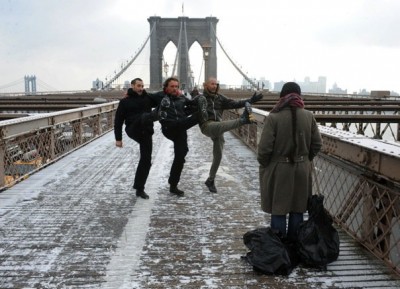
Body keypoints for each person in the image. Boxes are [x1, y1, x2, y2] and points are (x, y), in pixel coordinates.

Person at [257, 82, 322, 241]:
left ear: (282, 97)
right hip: (301, 169)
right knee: (297, 208)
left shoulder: (273, 117)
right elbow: (317, 144)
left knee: (278, 209)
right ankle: (294, 245)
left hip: (280, 170)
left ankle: (279, 246)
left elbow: (264, 149)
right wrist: (305, 160)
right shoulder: (309, 116)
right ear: (299, 96)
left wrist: (266, 165)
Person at [196, 77, 263, 193]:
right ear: (205, 85)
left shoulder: (220, 98)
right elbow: (187, 107)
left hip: (219, 126)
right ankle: (243, 120)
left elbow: (235, 104)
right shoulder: (200, 99)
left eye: (216, 84)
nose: (214, 86)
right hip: (207, 126)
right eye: (211, 84)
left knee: (218, 155)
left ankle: (210, 180)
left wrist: (250, 100)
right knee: (221, 125)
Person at [114, 78, 161, 200]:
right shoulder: (125, 102)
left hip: (146, 131)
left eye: (142, 86)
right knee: (144, 116)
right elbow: (118, 121)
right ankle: (151, 116)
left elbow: (162, 97)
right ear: (133, 86)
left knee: (146, 159)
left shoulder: (148, 98)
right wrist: (118, 139)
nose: (141, 88)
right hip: (132, 129)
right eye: (138, 86)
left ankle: (139, 188)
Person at [154, 77, 198, 197]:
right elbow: (144, 97)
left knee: (181, 155)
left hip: (180, 127)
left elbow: (191, 105)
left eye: (176, 86)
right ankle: (201, 116)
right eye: (172, 86)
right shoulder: (161, 97)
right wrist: (130, 94)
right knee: (199, 116)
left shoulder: (181, 98)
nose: (174, 89)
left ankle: (173, 185)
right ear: (166, 87)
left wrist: (196, 103)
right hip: (170, 127)